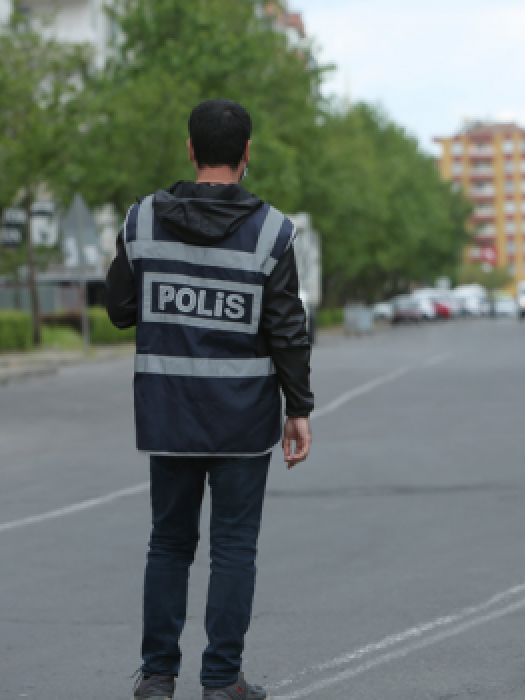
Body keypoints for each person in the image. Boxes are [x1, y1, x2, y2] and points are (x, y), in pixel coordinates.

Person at [105, 99, 314, 700]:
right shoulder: (272, 231)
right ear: (247, 154)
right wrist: (297, 409)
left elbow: (120, 310)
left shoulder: (141, 221)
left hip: (167, 414)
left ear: (191, 150)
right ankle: (221, 682)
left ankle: (158, 678)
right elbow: (286, 327)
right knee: (233, 547)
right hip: (243, 419)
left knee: (168, 542)